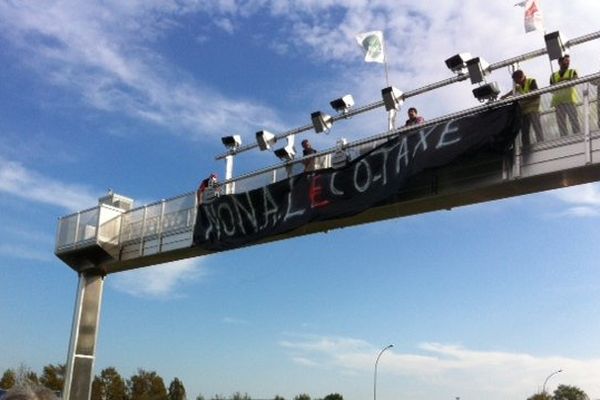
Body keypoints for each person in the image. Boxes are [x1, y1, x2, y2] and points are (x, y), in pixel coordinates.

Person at [501, 69, 544, 146]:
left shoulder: (531, 81)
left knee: (537, 128)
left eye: (516, 80)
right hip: (524, 112)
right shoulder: (519, 87)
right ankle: (526, 147)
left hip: (534, 110)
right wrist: (504, 96)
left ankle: (541, 144)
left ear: (520, 77)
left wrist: (523, 98)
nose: (515, 82)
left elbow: (536, 94)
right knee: (524, 131)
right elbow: (512, 92)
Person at [550, 54, 580, 136]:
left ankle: (577, 136)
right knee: (561, 123)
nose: (567, 63)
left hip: (569, 100)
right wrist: (565, 82)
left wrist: (562, 82)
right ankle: (564, 138)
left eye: (568, 61)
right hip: (558, 102)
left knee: (574, 120)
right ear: (560, 62)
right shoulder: (553, 76)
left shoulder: (572, 71)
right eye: (565, 61)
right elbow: (551, 89)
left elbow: (575, 81)